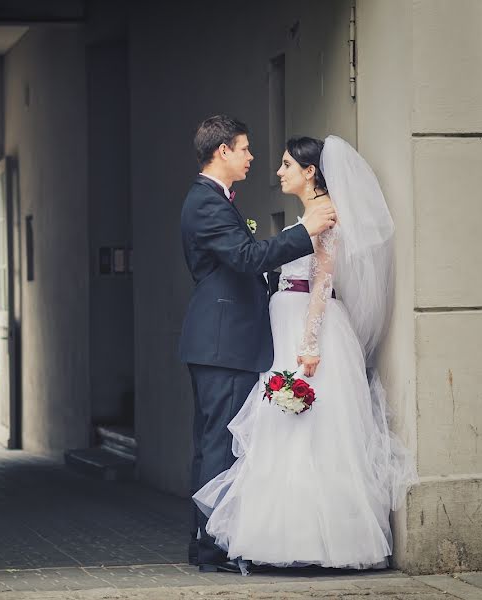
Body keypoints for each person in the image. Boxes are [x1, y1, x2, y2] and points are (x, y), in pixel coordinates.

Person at [193, 136, 417, 572]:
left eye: (286, 164)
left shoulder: (327, 215)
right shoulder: (309, 216)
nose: (278, 172)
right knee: (283, 428)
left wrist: (310, 344)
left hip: (305, 327)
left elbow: (322, 283)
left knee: (310, 429)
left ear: (310, 171)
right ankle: (278, 535)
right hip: (286, 323)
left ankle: (317, 540)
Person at [179, 116, 338, 573]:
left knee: (214, 443)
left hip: (223, 341)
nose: (253, 158)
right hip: (222, 343)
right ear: (224, 151)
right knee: (218, 445)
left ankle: (206, 542)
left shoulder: (216, 201)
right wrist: (305, 229)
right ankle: (211, 547)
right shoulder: (207, 203)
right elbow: (246, 258)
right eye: (246, 149)